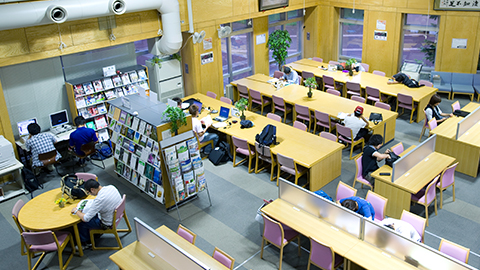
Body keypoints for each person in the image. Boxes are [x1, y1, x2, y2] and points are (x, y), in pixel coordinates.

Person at [71, 179, 122, 248]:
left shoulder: (100, 199)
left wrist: (76, 211)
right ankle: (93, 235)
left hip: (107, 223)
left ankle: (85, 243)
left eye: (88, 192)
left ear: (92, 190)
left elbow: (85, 218)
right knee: (91, 212)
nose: (89, 194)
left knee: (80, 222)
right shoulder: (111, 187)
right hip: (117, 216)